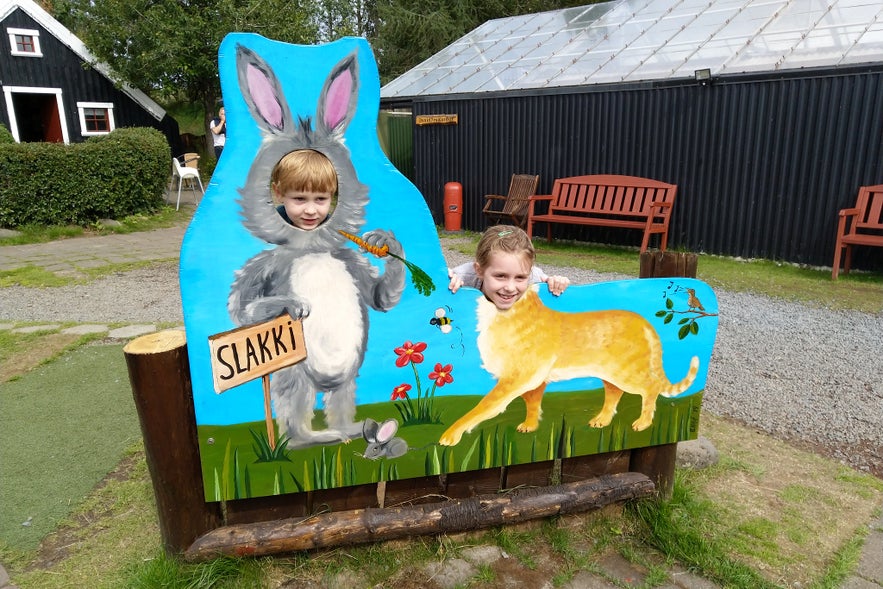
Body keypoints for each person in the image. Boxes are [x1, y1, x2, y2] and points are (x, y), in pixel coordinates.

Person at [448, 224, 570, 310]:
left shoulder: (535, 280)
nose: (510, 288)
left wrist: (557, 283)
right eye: (501, 276)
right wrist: (443, 282)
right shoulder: (463, 278)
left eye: (520, 277)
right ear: (479, 270)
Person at [271, 149, 337, 230]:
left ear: (331, 196)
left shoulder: (334, 230)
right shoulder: (273, 221)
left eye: (321, 198)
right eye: (300, 198)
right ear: (279, 193)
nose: (310, 211)